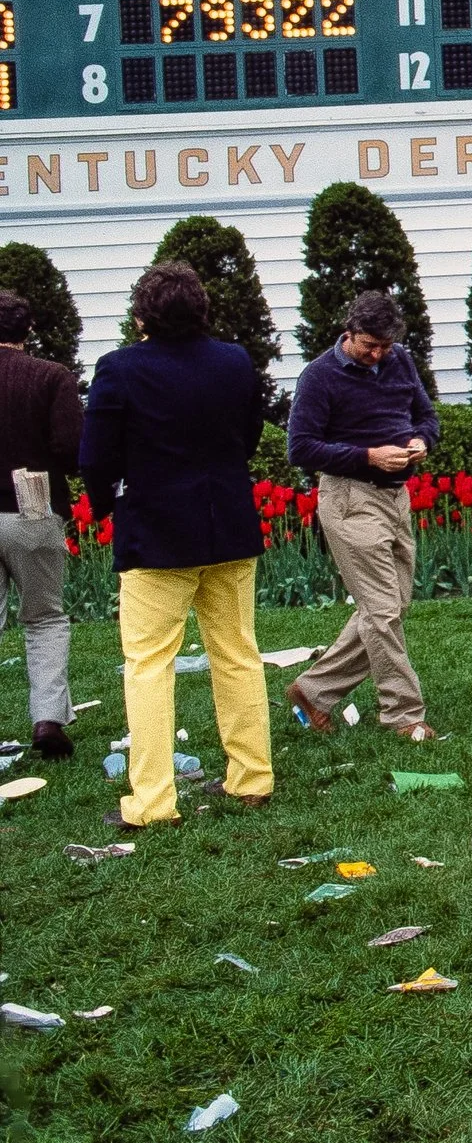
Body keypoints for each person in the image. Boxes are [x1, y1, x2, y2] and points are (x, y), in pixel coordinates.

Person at [81, 261, 271, 829]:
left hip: (156, 533)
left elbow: (95, 457)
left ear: (141, 316)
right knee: (237, 653)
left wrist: (105, 504)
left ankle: (153, 803)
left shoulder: (118, 369)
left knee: (147, 666)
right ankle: (251, 779)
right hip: (228, 525)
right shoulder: (235, 361)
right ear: (203, 310)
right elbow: (251, 432)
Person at [286, 291, 444, 742]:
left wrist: (421, 441)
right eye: (368, 345)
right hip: (350, 498)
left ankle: (312, 691)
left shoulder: (401, 361)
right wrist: (368, 457)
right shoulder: (319, 376)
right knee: (381, 611)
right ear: (348, 332)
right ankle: (403, 714)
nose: (376, 355)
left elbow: (426, 414)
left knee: (394, 606)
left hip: (396, 496)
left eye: (384, 347)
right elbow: (300, 448)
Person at [0, 292, 81, 761]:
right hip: (32, 504)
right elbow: (70, 447)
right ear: (27, 331)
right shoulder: (51, 376)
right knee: (45, 617)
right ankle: (48, 718)